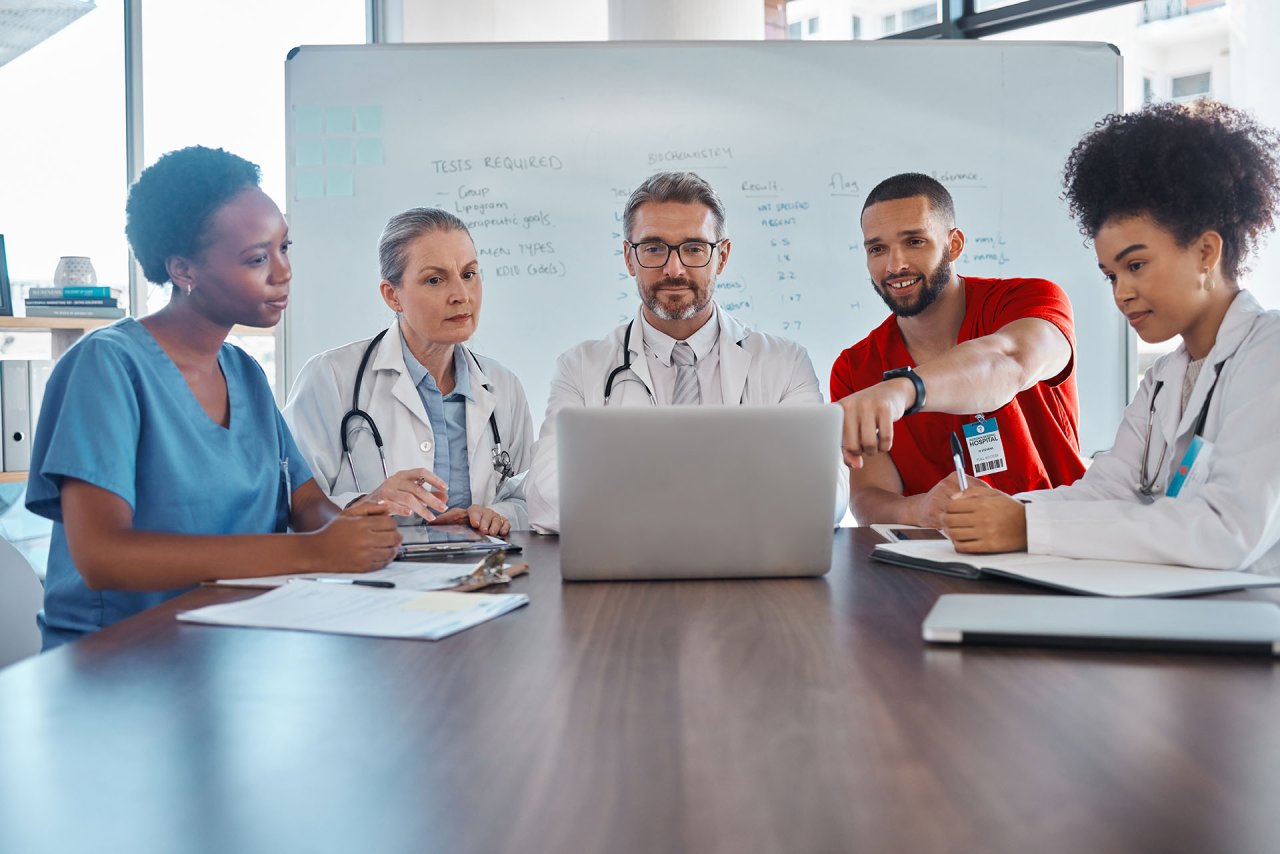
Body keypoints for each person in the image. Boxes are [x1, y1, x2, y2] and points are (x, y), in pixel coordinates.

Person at [27, 146, 407, 650]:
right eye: (257, 258)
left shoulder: (244, 373)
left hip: (234, 643)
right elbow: (103, 556)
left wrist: (359, 531)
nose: (283, 272)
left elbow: (306, 501)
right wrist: (315, 552)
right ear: (184, 270)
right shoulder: (106, 367)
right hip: (117, 657)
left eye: (285, 247)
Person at [942, 101, 1280, 573]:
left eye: (1136, 265)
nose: (1122, 293)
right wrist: (1004, 510)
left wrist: (1027, 527)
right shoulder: (1163, 379)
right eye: (1111, 275)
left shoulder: (1268, 354)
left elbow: (1227, 530)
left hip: (1250, 609)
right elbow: (1106, 491)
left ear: (1206, 251)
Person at [526, 170, 848, 533]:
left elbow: (826, 494)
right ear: (629, 258)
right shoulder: (580, 368)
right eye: (654, 248)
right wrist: (732, 497)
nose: (674, 269)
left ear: (722, 256)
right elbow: (545, 496)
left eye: (694, 248)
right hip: (631, 564)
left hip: (746, 563)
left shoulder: (785, 364)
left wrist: (635, 497)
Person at [830, 172, 1085, 528]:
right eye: (877, 249)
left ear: (954, 245)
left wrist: (903, 390)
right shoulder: (854, 367)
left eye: (915, 241)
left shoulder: (1031, 300)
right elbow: (869, 495)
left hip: (1056, 540)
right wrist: (917, 510)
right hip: (935, 556)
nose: (894, 265)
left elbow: (1009, 361)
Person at [284, 208, 534, 535]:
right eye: (435, 280)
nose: (461, 296)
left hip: (482, 565)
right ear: (393, 296)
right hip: (373, 566)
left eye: (469, 274)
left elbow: (529, 498)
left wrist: (497, 514)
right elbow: (292, 506)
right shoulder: (330, 378)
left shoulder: (504, 386)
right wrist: (366, 503)